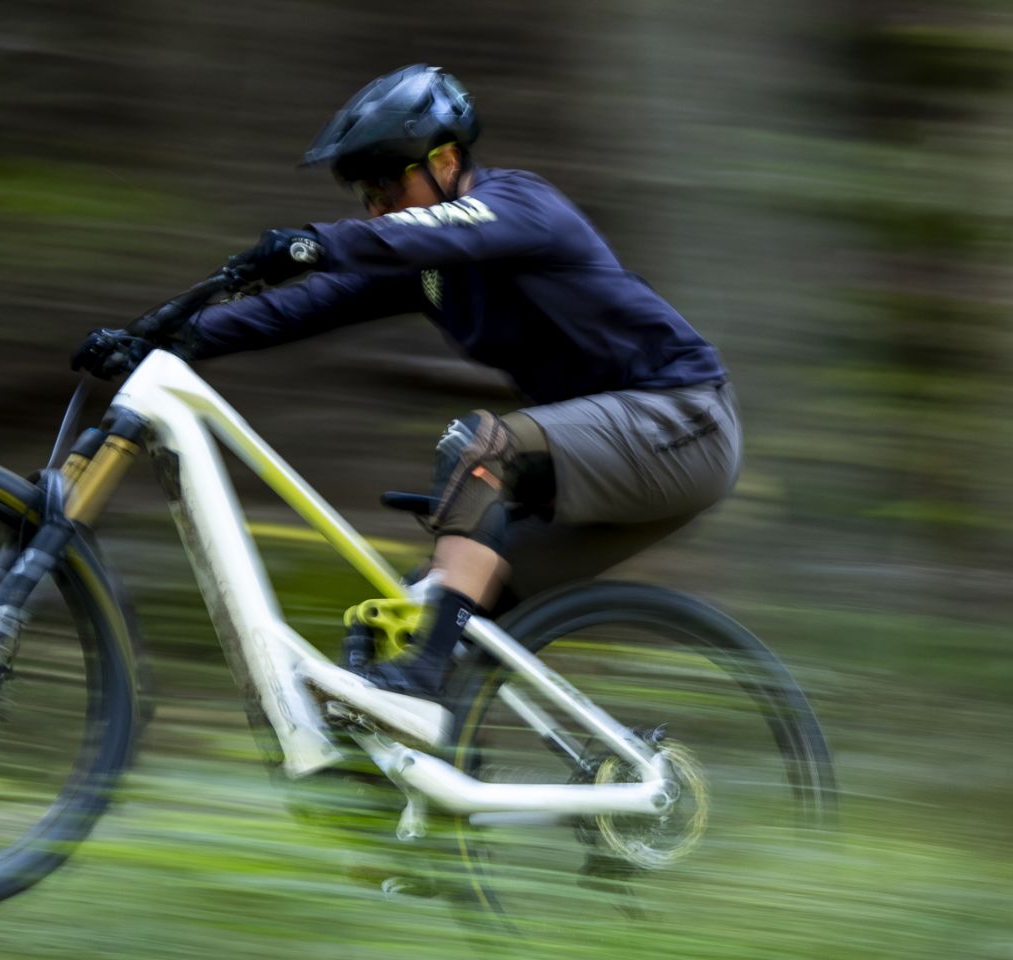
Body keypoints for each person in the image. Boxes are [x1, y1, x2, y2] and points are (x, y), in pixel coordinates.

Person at [73, 64, 739, 700]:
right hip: (614, 458)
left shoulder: (522, 206)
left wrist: (313, 241)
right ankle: (425, 754)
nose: (376, 209)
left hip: (683, 425)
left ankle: (422, 680)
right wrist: (159, 339)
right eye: (365, 195)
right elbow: (297, 309)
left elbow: (412, 237)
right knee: (422, 611)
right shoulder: (428, 268)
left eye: (388, 188)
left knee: (482, 446)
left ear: (446, 163)